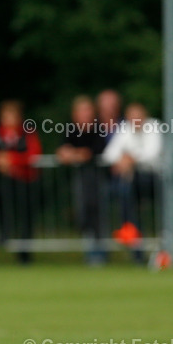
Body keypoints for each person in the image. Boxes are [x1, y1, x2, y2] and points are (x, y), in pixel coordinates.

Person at [0, 100, 41, 264]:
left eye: (11, 115)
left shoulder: (27, 132)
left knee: (26, 215)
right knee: (1, 206)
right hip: (4, 181)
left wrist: (11, 160)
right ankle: (3, 234)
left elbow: (33, 154)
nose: (7, 118)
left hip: (25, 181)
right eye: (5, 115)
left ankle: (25, 253)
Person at [101, 102, 163, 262]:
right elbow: (108, 154)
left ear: (144, 115)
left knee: (127, 187)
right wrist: (123, 160)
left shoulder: (154, 126)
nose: (135, 120)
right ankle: (131, 235)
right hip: (131, 182)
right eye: (131, 117)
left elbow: (153, 153)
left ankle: (131, 229)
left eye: (138, 116)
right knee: (120, 191)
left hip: (155, 181)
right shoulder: (125, 128)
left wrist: (130, 159)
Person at [56, 95, 109, 264]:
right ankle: (90, 252)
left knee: (98, 215)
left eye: (88, 110)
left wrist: (75, 154)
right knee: (84, 214)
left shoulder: (98, 129)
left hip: (98, 179)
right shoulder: (71, 129)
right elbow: (62, 152)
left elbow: (90, 153)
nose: (85, 114)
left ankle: (100, 254)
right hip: (81, 180)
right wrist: (74, 154)